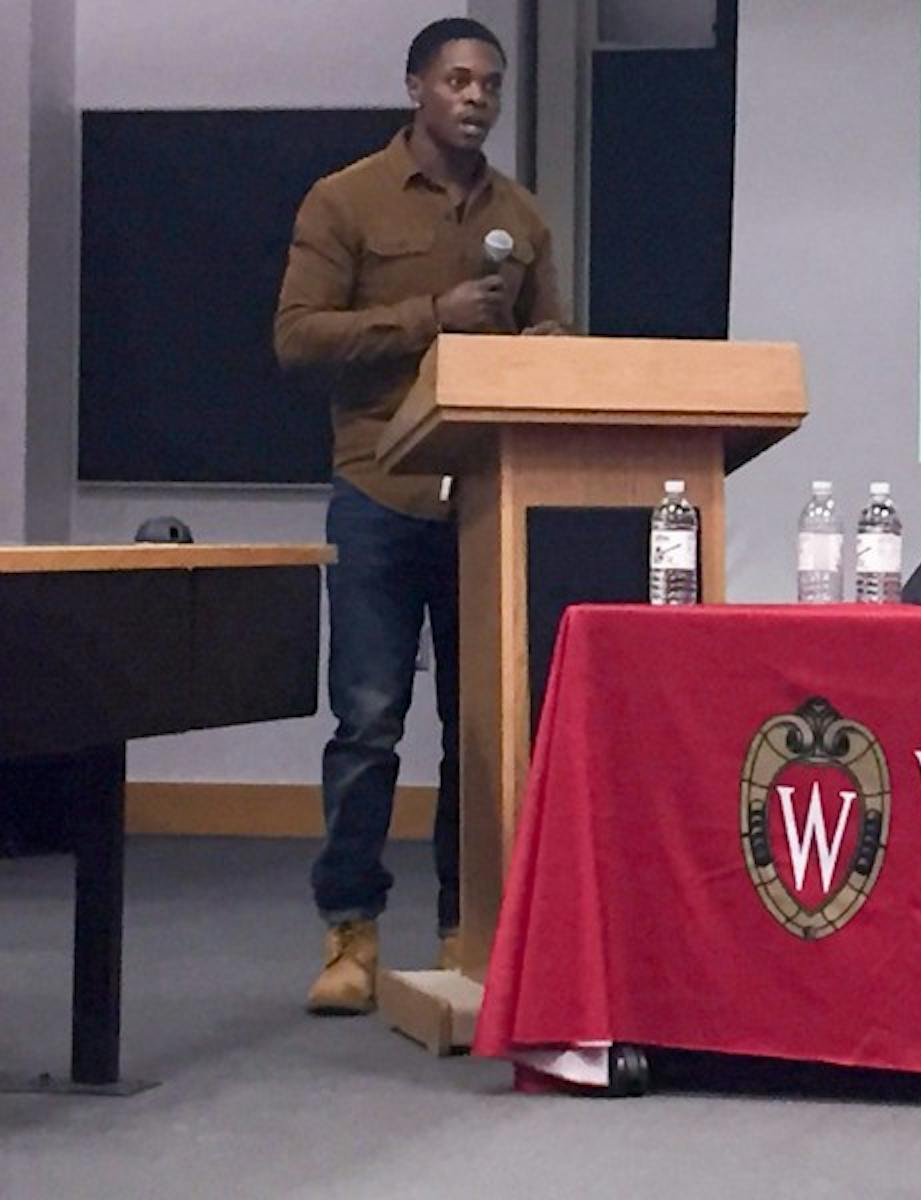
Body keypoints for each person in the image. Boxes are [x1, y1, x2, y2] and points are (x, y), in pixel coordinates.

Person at [274, 17, 563, 1014]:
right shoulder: (345, 199)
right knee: (367, 723)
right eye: (456, 80)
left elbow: (550, 336)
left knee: (480, 729)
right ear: (416, 89)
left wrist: (548, 344)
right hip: (379, 493)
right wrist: (426, 319)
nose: (475, 97)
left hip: (483, 499)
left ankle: (465, 932)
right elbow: (297, 338)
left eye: (488, 83)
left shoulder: (521, 217)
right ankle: (349, 934)